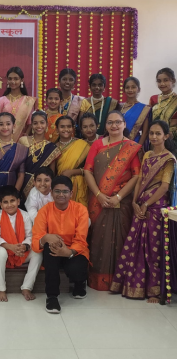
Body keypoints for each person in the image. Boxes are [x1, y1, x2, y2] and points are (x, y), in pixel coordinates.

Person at [110, 120, 176, 302]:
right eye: (151, 133)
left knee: (152, 248)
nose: (153, 137)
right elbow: (140, 179)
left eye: (158, 134)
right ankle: (132, 285)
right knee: (135, 245)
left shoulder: (169, 159)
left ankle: (154, 291)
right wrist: (134, 201)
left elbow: (164, 187)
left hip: (156, 207)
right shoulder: (147, 154)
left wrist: (146, 204)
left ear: (166, 136)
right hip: (140, 203)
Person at [84, 110, 141, 291]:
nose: (114, 126)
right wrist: (99, 195)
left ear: (124, 124)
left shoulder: (131, 147)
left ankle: (119, 281)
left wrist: (118, 197)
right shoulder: (97, 144)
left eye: (118, 122)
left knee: (120, 240)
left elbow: (136, 176)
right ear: (105, 125)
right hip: (98, 201)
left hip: (122, 202)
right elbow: (87, 171)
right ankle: (96, 279)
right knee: (98, 240)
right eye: (110, 122)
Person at [32, 176, 90, 314]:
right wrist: (46, 237)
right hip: (54, 250)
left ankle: (80, 283)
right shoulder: (44, 211)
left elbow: (81, 240)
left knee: (77, 269)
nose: (61, 195)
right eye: (57, 191)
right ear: (51, 193)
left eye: (65, 191)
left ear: (71, 193)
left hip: (75, 251)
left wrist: (69, 252)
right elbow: (36, 239)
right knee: (48, 247)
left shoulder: (81, 210)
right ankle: (52, 297)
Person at [0, 186, 43, 302]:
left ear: (18, 201)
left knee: (38, 252)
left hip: (21, 251)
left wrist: (24, 246)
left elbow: (30, 236)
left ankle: (27, 287)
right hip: (6, 251)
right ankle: (0, 289)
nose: (9, 205)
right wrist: (10, 247)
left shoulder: (25, 215)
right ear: (1, 204)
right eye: (5, 202)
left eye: (12, 201)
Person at [0, 113, 28, 199]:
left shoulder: (20, 149)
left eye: (8, 124)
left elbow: (21, 175)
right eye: (1, 124)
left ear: (14, 126)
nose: (5, 127)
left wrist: (14, 195)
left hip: (12, 187)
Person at [19, 110, 61, 198]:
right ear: (31, 125)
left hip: (41, 186)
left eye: (42, 123)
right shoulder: (23, 140)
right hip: (22, 182)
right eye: (35, 123)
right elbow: (18, 165)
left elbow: (51, 173)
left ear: (47, 125)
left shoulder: (51, 147)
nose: (39, 126)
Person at [55, 116, 90, 207]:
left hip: (80, 186)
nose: (66, 129)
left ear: (73, 128)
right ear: (57, 129)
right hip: (61, 187)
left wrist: (72, 172)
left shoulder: (82, 145)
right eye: (62, 127)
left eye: (69, 126)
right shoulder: (53, 148)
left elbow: (90, 168)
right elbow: (52, 172)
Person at [0, 67, 37, 142]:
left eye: (16, 79)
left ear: (22, 80)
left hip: (21, 140)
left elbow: (30, 123)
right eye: (10, 79)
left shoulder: (28, 101)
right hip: (3, 139)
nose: (13, 81)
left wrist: (25, 137)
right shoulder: (1, 100)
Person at [150, 68, 177, 147]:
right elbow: (149, 120)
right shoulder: (153, 99)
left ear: (173, 81)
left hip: (172, 140)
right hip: (154, 139)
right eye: (159, 81)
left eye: (166, 80)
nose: (162, 84)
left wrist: (171, 134)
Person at [121, 77, 151, 146]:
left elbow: (145, 132)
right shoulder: (119, 107)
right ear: (124, 90)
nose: (130, 90)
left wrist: (138, 147)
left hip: (135, 143)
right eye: (127, 87)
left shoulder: (144, 108)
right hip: (118, 142)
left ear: (139, 89)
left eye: (133, 87)